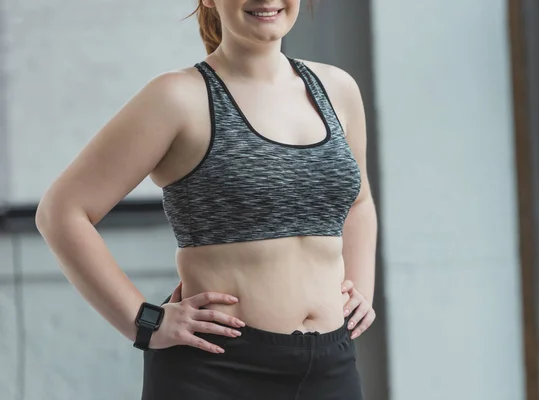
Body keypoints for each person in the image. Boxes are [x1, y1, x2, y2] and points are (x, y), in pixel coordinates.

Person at [35, 0, 378, 399]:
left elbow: (359, 203)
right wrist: (144, 322)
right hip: (217, 369)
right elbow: (62, 212)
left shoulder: (338, 88)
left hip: (329, 366)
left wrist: (360, 291)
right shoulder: (177, 97)